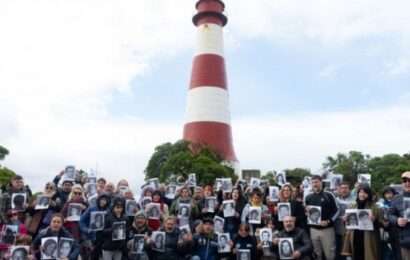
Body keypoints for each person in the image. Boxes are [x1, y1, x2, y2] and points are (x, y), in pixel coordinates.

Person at [341, 185, 381, 260]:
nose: (362, 194)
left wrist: (374, 220)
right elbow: (347, 225)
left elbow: (381, 224)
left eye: (365, 193)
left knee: (367, 255)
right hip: (355, 236)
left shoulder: (374, 207)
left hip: (368, 237)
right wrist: (345, 220)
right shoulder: (353, 205)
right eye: (360, 192)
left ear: (369, 194)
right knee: (356, 255)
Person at [304, 175, 339, 260]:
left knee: (330, 255)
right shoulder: (308, 197)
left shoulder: (329, 195)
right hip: (313, 230)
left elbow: (337, 210)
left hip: (327, 230)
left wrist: (328, 221)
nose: (314, 184)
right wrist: (306, 212)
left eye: (316, 182)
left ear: (321, 182)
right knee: (316, 254)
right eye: (313, 182)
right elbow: (307, 212)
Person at [389, 171, 410, 259]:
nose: (407, 183)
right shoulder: (396, 198)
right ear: (402, 183)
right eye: (404, 180)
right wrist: (397, 220)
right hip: (405, 240)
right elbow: (390, 215)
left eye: (409, 180)